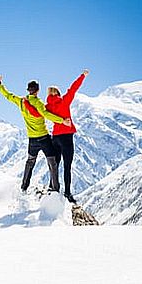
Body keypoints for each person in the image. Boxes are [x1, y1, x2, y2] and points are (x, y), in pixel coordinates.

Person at [0, 74, 71, 194]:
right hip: (44, 138)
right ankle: (55, 189)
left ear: (28, 91)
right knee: (52, 163)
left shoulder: (21, 102)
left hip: (32, 140)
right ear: (38, 90)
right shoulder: (39, 103)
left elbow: (8, 96)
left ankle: (24, 187)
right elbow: (46, 115)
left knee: (30, 163)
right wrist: (62, 121)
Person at [45, 69, 89, 204]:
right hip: (66, 138)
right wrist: (83, 76)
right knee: (67, 166)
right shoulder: (64, 101)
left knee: (55, 165)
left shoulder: (47, 106)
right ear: (58, 93)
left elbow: (40, 111)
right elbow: (73, 89)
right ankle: (68, 193)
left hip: (55, 138)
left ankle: (52, 188)